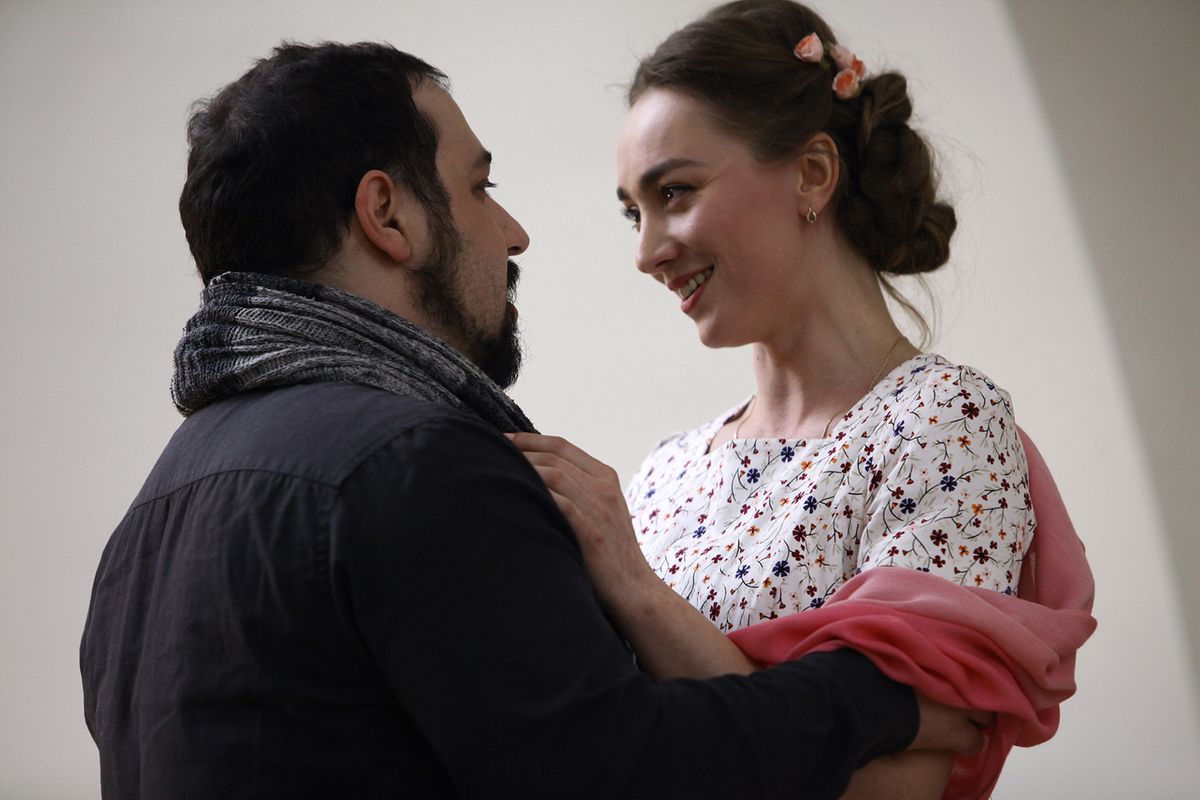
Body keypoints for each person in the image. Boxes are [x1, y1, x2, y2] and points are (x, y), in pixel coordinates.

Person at [78, 40, 989, 800]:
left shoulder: (145, 525)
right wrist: (875, 698)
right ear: (387, 215)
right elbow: (620, 769)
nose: (512, 231)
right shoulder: (415, 464)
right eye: (480, 187)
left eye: (674, 193)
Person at [511, 2, 1095, 798]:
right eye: (632, 213)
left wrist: (637, 592)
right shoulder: (663, 475)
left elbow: (894, 792)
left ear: (813, 174)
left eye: (675, 191)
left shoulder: (943, 422)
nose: (646, 252)